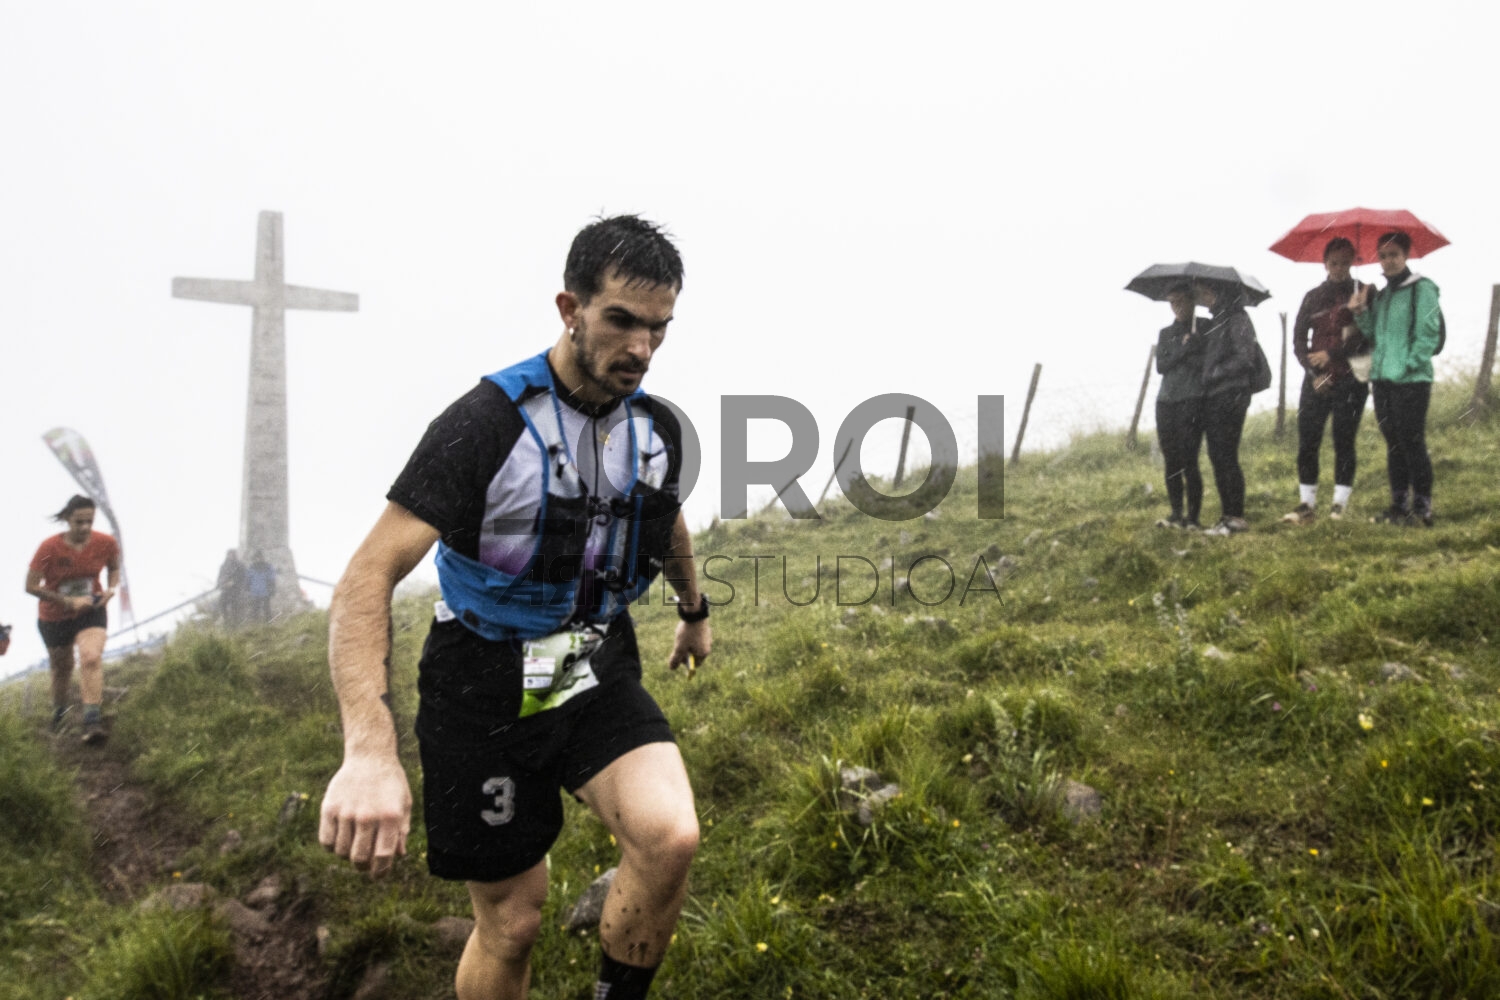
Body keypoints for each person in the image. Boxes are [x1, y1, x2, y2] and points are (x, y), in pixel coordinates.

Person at [318, 215, 709, 1000]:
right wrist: (369, 750)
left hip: (586, 658)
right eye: (621, 321)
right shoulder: (486, 423)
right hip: (481, 681)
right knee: (513, 922)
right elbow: (367, 575)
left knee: (670, 838)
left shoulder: (655, 426)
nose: (641, 348)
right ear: (570, 309)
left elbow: (660, 517)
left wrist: (693, 610)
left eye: (659, 328)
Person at [1351, 230, 1442, 526]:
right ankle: (1399, 506)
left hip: (1411, 380)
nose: (1388, 261)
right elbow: (1373, 334)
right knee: (1393, 443)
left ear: (1406, 256)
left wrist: (1408, 365)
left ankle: (1422, 509)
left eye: (1394, 255)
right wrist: (1360, 312)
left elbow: (1428, 334)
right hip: (1382, 380)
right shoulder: (1383, 294)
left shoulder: (1422, 288)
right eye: (1383, 256)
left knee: (1412, 441)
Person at [1282, 238, 1373, 524]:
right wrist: (1313, 375)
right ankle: (1306, 504)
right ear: (1325, 264)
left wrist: (1332, 354)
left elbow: (1367, 337)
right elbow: (1298, 340)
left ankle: (1338, 505)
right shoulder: (1312, 296)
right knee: (1308, 441)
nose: (1339, 268)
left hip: (1351, 378)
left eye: (1345, 262)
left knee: (1344, 440)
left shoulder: (1365, 292)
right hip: (1316, 380)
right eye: (1334, 262)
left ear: (1353, 262)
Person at [25, 495, 121, 743]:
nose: (85, 527)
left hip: (91, 609)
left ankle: (92, 721)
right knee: (62, 668)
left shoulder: (106, 543)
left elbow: (113, 567)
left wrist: (110, 589)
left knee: (91, 657)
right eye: (79, 522)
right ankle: (59, 715)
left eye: (90, 521)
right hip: (55, 616)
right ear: (67, 519)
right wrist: (67, 601)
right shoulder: (48, 549)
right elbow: (30, 586)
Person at [1195, 280, 1261, 535]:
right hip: (1219, 394)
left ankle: (1235, 517)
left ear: (1218, 293)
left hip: (1231, 394)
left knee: (1226, 455)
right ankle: (1228, 516)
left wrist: (1214, 373)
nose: (1202, 298)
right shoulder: (1219, 320)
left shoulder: (1237, 318)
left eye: (1206, 292)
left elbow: (1245, 358)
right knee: (1219, 455)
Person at [1153, 283, 1207, 530]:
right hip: (1166, 400)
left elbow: (1204, 364)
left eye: (1181, 301)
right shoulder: (1166, 333)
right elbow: (1161, 366)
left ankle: (1193, 517)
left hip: (1192, 399)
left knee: (1189, 458)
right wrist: (1184, 350)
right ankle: (1176, 512)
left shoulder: (1204, 328)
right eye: (1172, 302)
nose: (1177, 307)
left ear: (1192, 301)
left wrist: (1194, 347)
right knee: (1171, 459)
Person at [217, 549, 247, 627]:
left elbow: (243, 576)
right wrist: (220, 584)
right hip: (225, 590)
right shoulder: (224, 565)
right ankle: (226, 621)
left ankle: (235, 625)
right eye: (229, 554)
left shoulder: (240, 565)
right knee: (222, 604)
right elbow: (220, 576)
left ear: (235, 555)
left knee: (235, 607)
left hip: (236, 590)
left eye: (232, 554)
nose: (230, 556)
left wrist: (234, 582)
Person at [246, 552, 276, 623]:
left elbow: (272, 579)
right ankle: (256, 623)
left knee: (266, 607)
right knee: (255, 608)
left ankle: (269, 622)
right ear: (254, 559)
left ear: (262, 558)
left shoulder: (268, 567)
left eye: (259, 557)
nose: (258, 559)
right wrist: (247, 588)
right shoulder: (251, 567)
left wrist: (272, 589)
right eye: (256, 558)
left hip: (265, 590)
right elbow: (248, 579)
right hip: (255, 591)